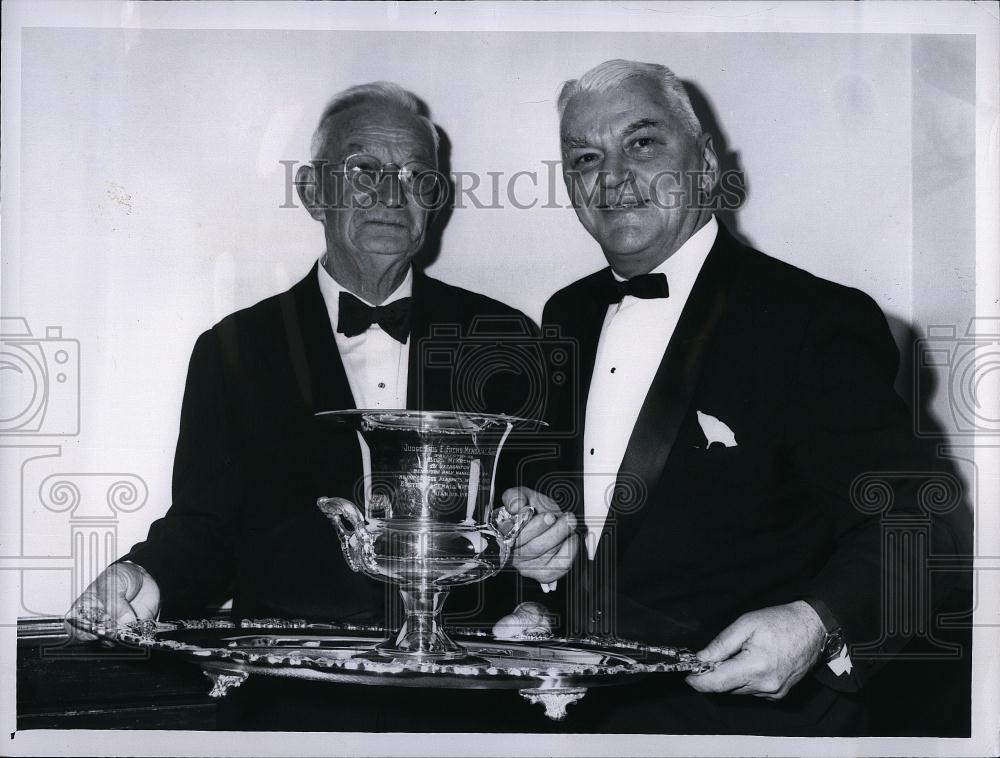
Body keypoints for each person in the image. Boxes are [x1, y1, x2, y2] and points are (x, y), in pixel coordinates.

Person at [64, 81, 557, 731]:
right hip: (291, 706)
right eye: (364, 171)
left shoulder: (505, 338)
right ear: (311, 191)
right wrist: (142, 577)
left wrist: (546, 571)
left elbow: (546, 517)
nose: (391, 194)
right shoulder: (234, 350)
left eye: (415, 175)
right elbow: (205, 527)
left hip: (469, 706)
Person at [499, 59, 960, 735]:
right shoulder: (566, 313)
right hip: (580, 725)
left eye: (643, 142)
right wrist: (541, 569)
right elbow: (587, 525)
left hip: (753, 731)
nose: (614, 177)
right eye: (585, 157)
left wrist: (817, 624)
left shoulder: (810, 319)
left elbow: (925, 521)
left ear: (708, 165)